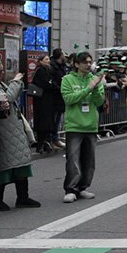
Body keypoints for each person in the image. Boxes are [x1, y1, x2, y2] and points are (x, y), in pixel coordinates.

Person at [0, 59, 41, 211]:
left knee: (22, 163)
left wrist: (17, 83)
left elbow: (10, 96)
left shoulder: (1, 84)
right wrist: (16, 82)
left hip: (14, 128)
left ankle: (23, 197)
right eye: (0, 69)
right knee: (4, 166)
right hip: (4, 130)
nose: (2, 71)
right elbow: (8, 98)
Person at [60, 52, 105, 203]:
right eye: (84, 62)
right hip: (74, 125)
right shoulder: (67, 79)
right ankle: (71, 189)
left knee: (89, 160)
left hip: (91, 125)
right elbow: (69, 99)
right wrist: (88, 89)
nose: (87, 65)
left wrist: (96, 89)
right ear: (76, 64)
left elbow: (99, 102)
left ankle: (83, 187)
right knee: (73, 159)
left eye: (89, 62)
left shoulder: (94, 79)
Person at [29, 54, 58, 153]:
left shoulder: (47, 70)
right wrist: (52, 84)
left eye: (48, 59)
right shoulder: (40, 71)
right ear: (40, 61)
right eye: (46, 59)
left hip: (46, 100)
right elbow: (47, 84)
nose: (48, 61)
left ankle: (44, 143)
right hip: (41, 101)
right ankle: (41, 144)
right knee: (43, 123)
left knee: (46, 123)